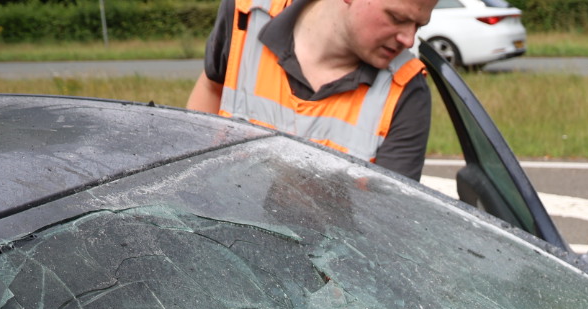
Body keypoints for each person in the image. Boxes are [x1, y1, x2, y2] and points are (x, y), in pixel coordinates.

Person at [187, 0, 437, 180]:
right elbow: (212, 89)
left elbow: (387, 219)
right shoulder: (246, 15)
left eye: (418, 25)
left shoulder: (406, 90)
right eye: (398, 18)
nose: (408, 39)